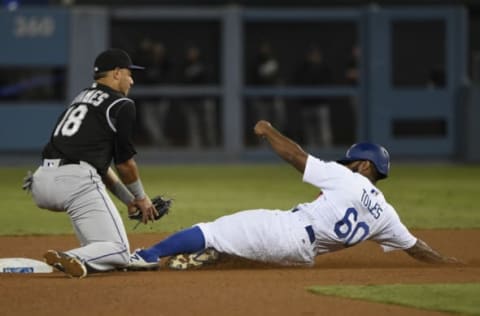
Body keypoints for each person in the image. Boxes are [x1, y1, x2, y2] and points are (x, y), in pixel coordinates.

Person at [128, 120, 458, 270]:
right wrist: (452, 265)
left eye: (350, 161)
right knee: (243, 245)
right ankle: (206, 259)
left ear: (362, 163)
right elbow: (418, 249)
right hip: (302, 258)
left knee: (211, 229)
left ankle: (147, 255)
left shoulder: (346, 177)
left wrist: (268, 131)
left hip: (290, 232)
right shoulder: (386, 214)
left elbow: (297, 157)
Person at [26, 48, 159, 278]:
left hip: (40, 181)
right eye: (129, 73)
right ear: (116, 73)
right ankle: (72, 256)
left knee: (103, 250)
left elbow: (99, 165)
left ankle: (81, 258)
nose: (132, 80)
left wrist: (128, 200)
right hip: (75, 183)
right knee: (119, 251)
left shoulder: (80, 99)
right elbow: (125, 164)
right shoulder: (121, 104)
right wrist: (141, 197)